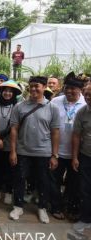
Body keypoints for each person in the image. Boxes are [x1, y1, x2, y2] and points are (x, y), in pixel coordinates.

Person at [9, 76, 60, 224]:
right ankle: (18, 206)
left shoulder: (52, 108)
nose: (33, 89)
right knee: (19, 178)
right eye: (31, 86)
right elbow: (14, 130)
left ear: (44, 87)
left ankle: (42, 207)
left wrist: (54, 155)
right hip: (23, 151)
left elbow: (55, 132)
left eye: (36, 86)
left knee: (43, 180)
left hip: (43, 152)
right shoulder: (20, 106)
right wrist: (13, 151)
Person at [50, 72, 86, 221]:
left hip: (77, 153)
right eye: (67, 88)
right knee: (54, 180)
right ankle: (56, 206)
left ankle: (70, 206)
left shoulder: (85, 104)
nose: (70, 91)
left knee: (74, 182)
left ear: (81, 90)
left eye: (74, 89)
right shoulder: (55, 102)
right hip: (57, 150)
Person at [0, 80, 22, 205]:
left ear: (14, 94)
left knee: (11, 168)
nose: (7, 93)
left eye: (10, 92)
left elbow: (14, 124)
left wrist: (1, 136)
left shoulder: (18, 106)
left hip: (12, 142)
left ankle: (9, 192)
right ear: (1, 92)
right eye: (5, 91)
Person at [72, 84, 91, 233]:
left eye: (90, 94)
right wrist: (75, 157)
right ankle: (85, 218)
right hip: (86, 157)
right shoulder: (82, 112)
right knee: (85, 189)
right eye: (86, 94)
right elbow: (77, 136)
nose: (88, 97)